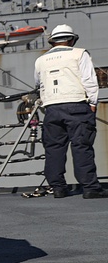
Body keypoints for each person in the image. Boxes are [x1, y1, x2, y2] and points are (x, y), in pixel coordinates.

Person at [34, 24, 106, 199]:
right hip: (77, 105)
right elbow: (89, 80)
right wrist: (93, 103)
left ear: (53, 42)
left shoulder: (40, 60)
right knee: (81, 146)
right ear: (71, 39)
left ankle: (58, 188)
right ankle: (90, 188)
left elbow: (38, 83)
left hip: (52, 108)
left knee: (54, 148)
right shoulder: (80, 54)